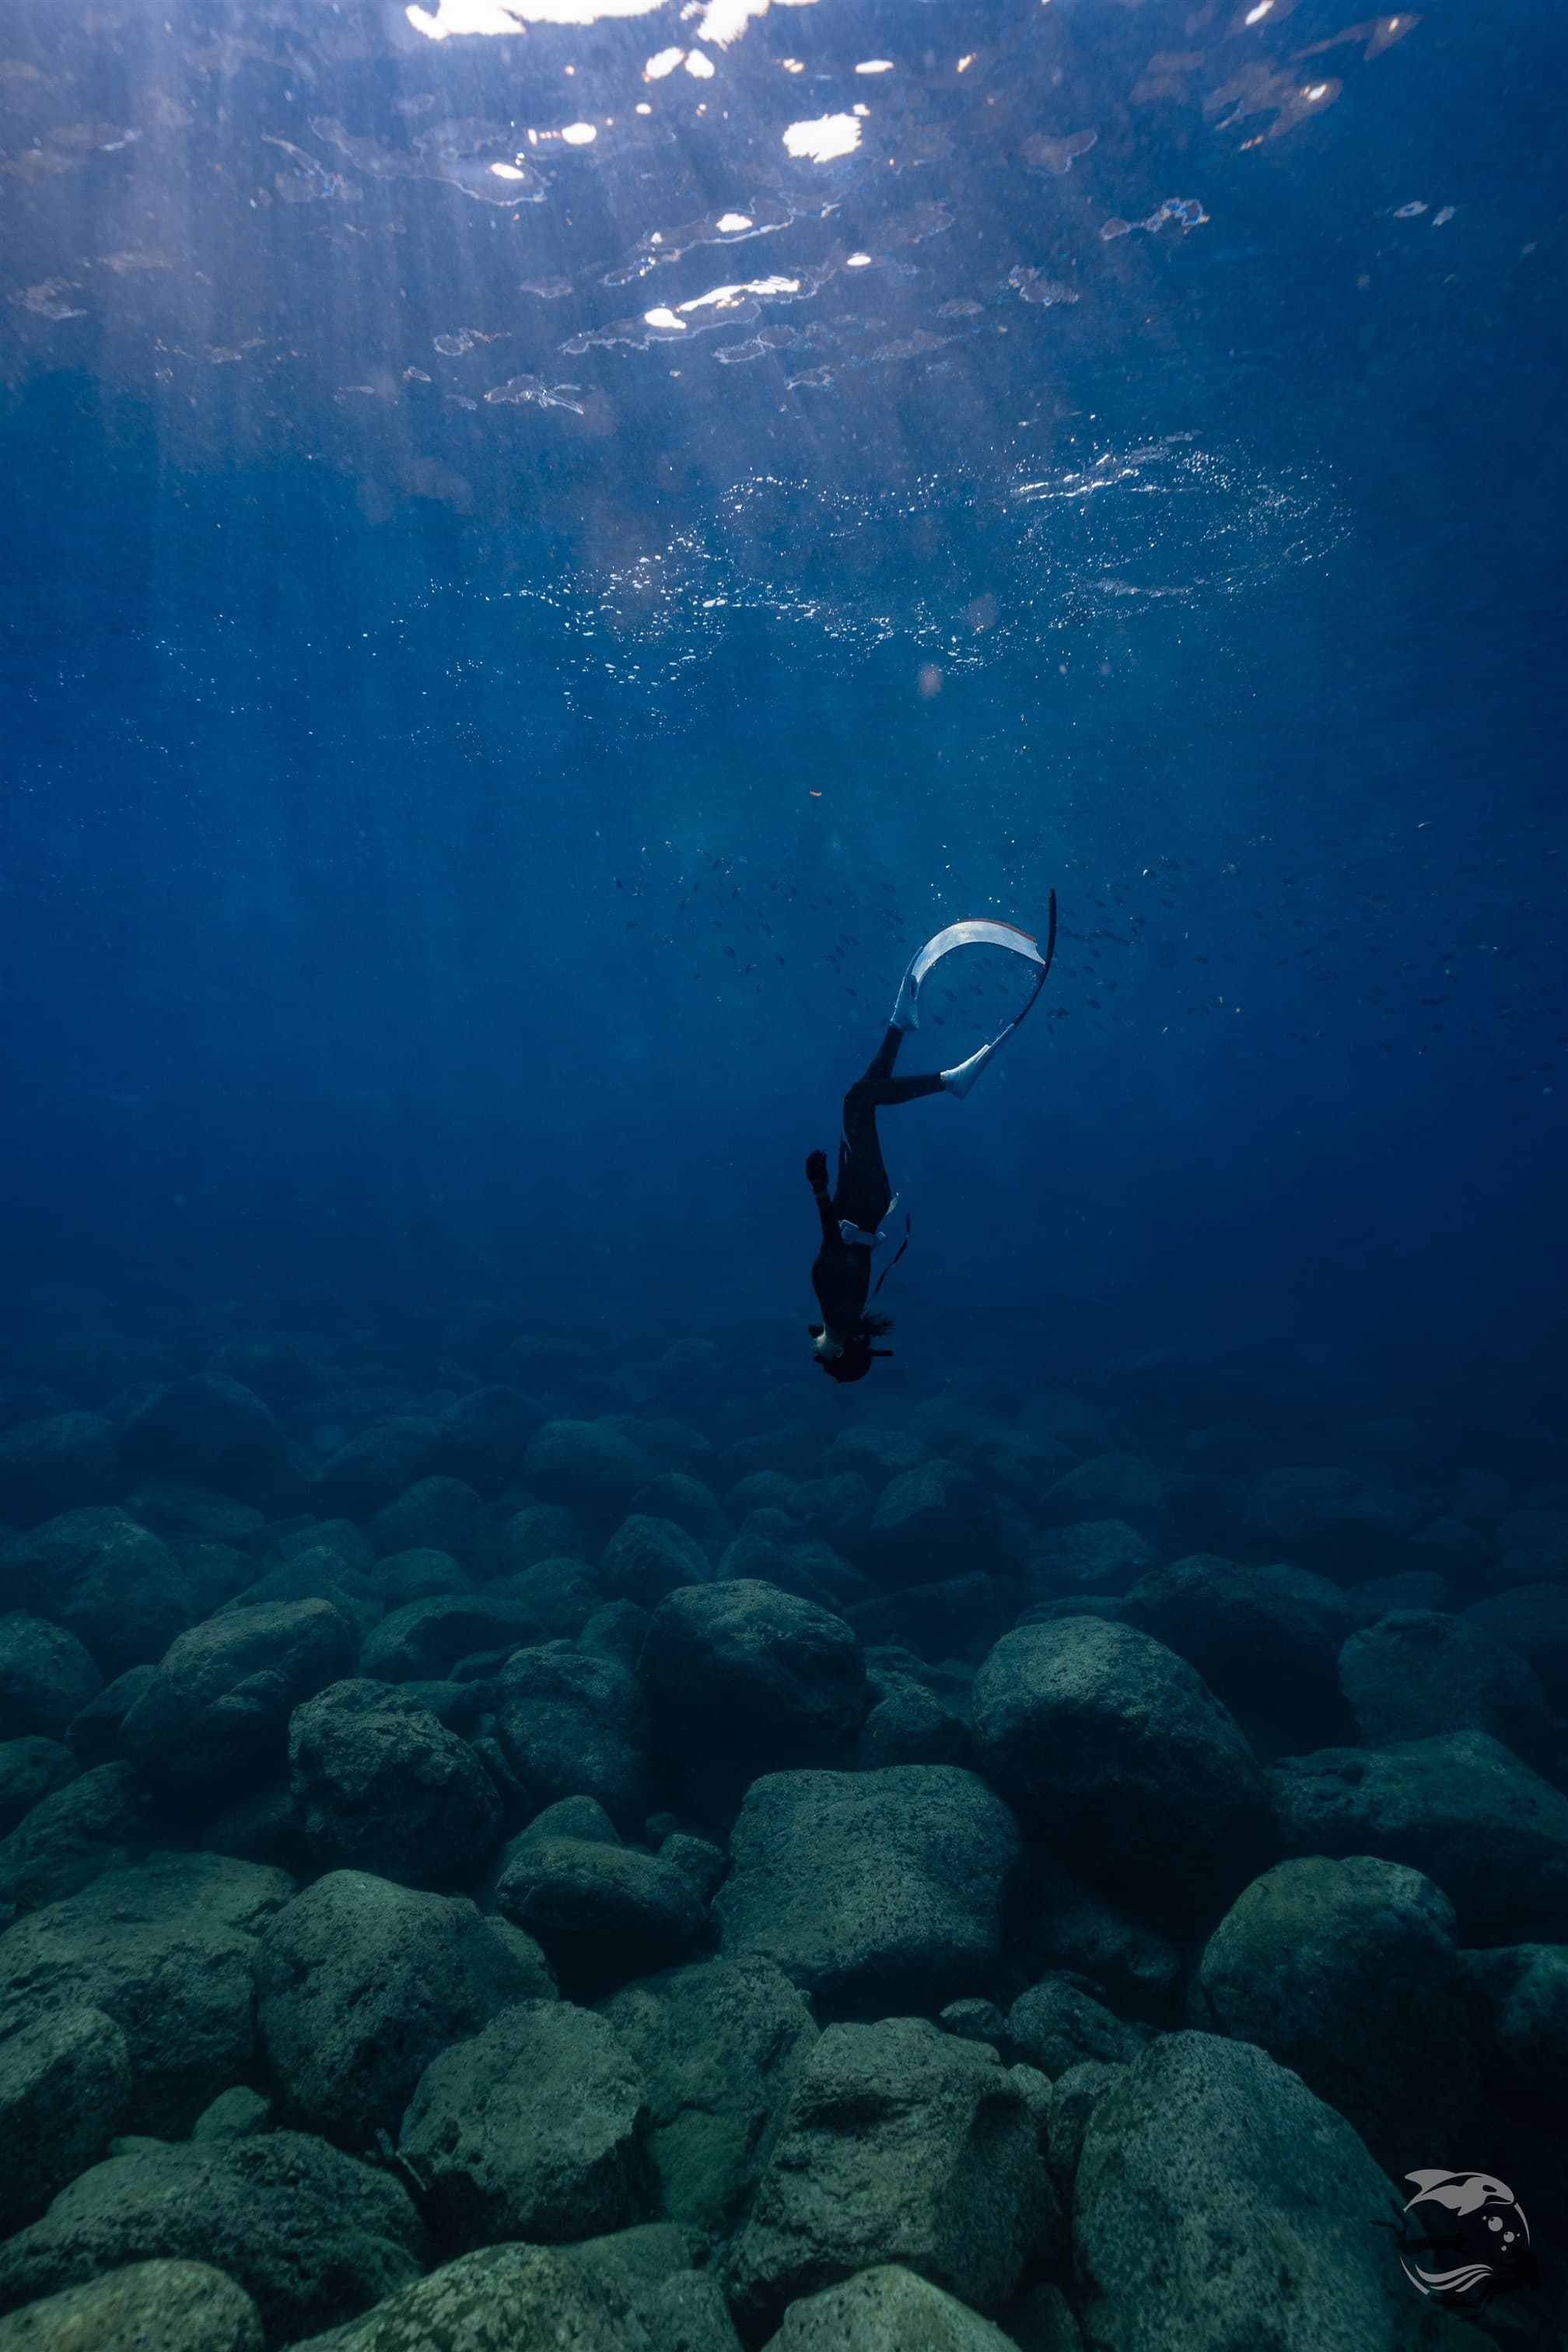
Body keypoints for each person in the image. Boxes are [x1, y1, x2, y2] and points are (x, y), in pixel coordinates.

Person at [807, 905, 1056, 1382]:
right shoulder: (841, 1312)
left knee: (861, 1101)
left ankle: (901, 1024)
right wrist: (820, 1192)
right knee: (858, 1101)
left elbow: (837, 1248)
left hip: (857, 1201)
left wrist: (823, 1194)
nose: (815, 1352)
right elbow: (841, 1251)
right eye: (823, 1361)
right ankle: (950, 1080)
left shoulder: (843, 1313)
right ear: (836, 1355)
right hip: (861, 1201)